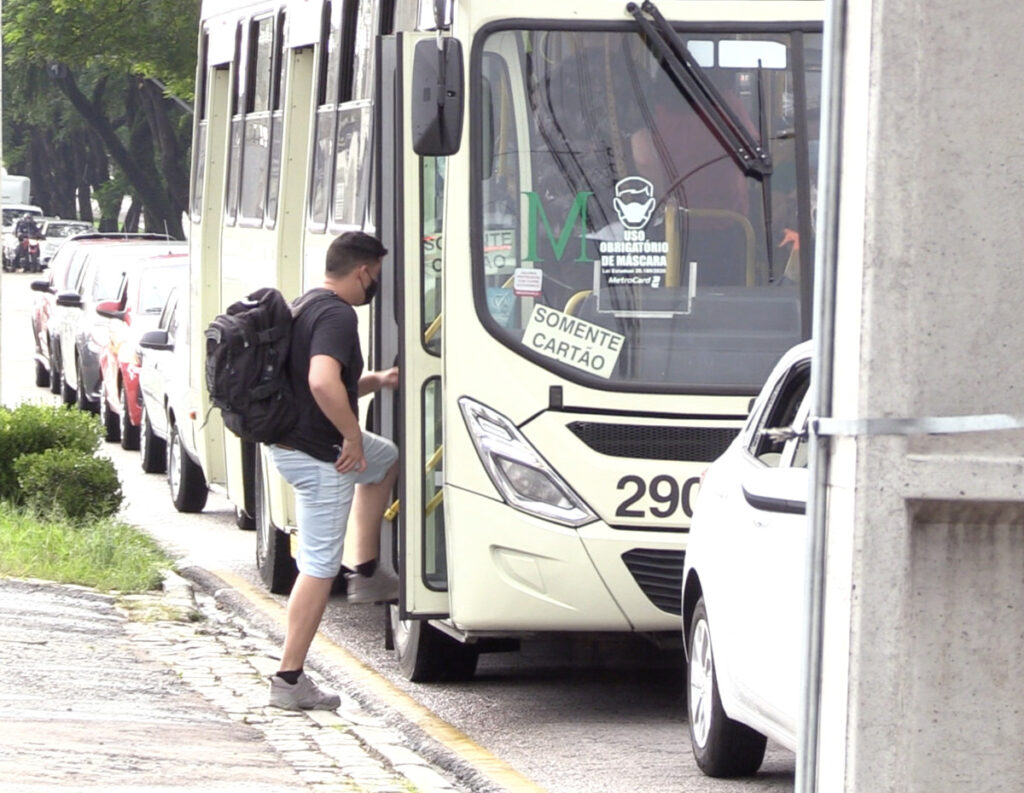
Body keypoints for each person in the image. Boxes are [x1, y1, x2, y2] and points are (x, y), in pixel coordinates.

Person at [266, 230, 399, 711]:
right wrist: (351, 436)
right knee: (318, 568)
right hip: (320, 456)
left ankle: (364, 567)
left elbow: (327, 383)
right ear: (363, 271)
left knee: (384, 458)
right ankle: (289, 678)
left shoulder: (307, 305)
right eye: (376, 276)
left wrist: (374, 381)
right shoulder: (339, 315)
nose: (374, 286)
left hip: (292, 445)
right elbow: (321, 382)